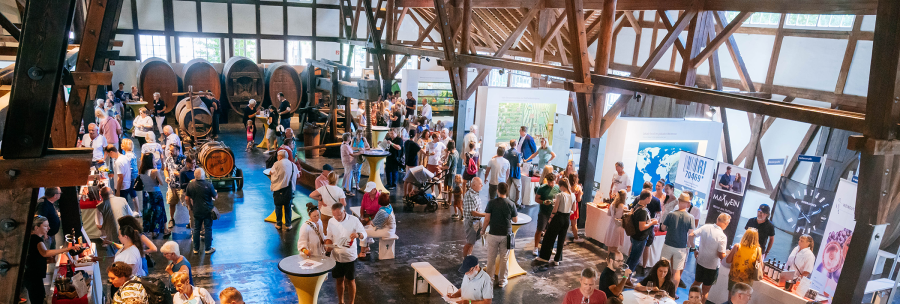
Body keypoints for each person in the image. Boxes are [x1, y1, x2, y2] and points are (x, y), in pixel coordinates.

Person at [25, 216, 85, 304]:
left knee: (39, 297)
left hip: (34, 276)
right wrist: (66, 249)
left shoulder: (36, 238)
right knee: (38, 299)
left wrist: (50, 259)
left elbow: (36, 257)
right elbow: (45, 253)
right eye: (45, 226)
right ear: (36, 227)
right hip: (33, 277)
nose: (49, 228)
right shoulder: (35, 239)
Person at [325, 203, 366, 304]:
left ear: (344, 211)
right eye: (335, 215)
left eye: (339, 215)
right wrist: (328, 246)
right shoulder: (331, 221)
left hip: (350, 257)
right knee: (339, 280)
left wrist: (358, 234)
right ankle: (341, 302)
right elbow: (329, 236)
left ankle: (351, 302)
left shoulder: (354, 220)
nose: (337, 218)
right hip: (337, 257)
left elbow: (364, 234)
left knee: (351, 281)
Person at [658, 193, 695, 294]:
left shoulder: (671, 214)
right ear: (688, 203)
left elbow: (663, 228)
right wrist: (692, 247)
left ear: (679, 201)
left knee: (663, 268)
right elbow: (691, 234)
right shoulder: (690, 217)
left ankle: (661, 290)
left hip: (668, 244)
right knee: (677, 271)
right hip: (681, 247)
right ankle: (672, 294)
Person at [689, 213, 731, 303]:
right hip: (712, 266)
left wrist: (694, 249)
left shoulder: (706, 227)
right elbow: (721, 255)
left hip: (700, 261)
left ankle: (689, 301)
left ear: (717, 219)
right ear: (726, 223)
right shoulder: (722, 236)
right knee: (705, 290)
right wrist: (727, 254)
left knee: (696, 283)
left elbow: (691, 235)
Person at [482, 183, 518, 287]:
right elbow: (515, 220)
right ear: (507, 191)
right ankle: (502, 281)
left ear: (498, 191)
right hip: (506, 234)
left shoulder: (491, 203)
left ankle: (490, 280)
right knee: (504, 259)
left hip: (493, 233)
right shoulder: (511, 204)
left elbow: (487, 219)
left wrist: (483, 230)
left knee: (491, 258)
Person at [536, 178, 575, 266]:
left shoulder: (560, 195)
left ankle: (544, 257)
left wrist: (550, 218)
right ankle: (557, 260)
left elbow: (555, 208)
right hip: (567, 218)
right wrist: (568, 212)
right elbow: (574, 209)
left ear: (561, 186)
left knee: (549, 237)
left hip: (558, 217)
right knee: (561, 240)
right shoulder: (572, 195)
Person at [184, 168, 218, 254]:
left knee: (196, 229)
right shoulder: (208, 185)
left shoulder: (190, 185)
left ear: (195, 176)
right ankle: (207, 249)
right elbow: (215, 197)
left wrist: (190, 207)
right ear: (204, 175)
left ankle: (196, 249)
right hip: (207, 210)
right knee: (208, 229)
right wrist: (215, 193)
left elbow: (187, 198)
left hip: (196, 210)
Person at [625, 190, 658, 272]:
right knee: (635, 259)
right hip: (639, 238)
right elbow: (642, 227)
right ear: (646, 198)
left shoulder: (637, 206)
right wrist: (652, 223)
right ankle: (627, 278)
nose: (651, 199)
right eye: (650, 197)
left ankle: (625, 275)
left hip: (635, 236)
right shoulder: (643, 211)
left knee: (632, 257)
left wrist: (650, 221)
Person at [139, 153, 169, 238]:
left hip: (146, 194)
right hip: (156, 193)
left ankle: (148, 230)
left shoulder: (141, 170)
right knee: (159, 212)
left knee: (148, 212)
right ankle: (157, 231)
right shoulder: (154, 171)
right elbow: (161, 183)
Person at [96, 187, 133, 252]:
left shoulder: (100, 207)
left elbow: (99, 225)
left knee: (116, 255)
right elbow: (131, 215)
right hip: (126, 233)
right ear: (112, 192)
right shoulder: (123, 200)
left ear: (101, 196)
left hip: (112, 238)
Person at [270, 150, 299, 230]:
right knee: (288, 207)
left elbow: (270, 172)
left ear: (280, 156)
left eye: (278, 156)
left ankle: (278, 224)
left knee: (278, 207)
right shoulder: (293, 165)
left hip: (278, 189)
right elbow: (298, 175)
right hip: (289, 190)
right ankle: (288, 225)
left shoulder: (276, 164)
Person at [360, 194, 396, 258]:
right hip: (390, 228)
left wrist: (367, 220)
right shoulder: (389, 207)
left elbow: (375, 224)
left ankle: (363, 252)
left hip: (387, 231)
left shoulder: (382, 212)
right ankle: (367, 246)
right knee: (367, 227)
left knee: (363, 231)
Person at [533, 173, 560, 256]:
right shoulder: (542, 188)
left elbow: (559, 198)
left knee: (550, 231)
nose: (550, 184)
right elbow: (536, 199)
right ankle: (535, 247)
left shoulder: (557, 188)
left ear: (555, 180)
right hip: (543, 212)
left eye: (551, 182)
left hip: (553, 213)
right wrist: (544, 202)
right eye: (548, 182)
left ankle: (549, 247)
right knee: (540, 229)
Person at [107, 145, 137, 215]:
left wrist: (118, 191)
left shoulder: (118, 162)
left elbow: (120, 178)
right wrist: (114, 175)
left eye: (109, 155)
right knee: (124, 204)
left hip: (122, 188)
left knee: (121, 207)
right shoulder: (124, 157)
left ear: (111, 152)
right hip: (126, 185)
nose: (110, 157)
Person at [462, 177, 487, 258]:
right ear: (474, 185)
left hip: (476, 221)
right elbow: (472, 213)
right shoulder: (469, 195)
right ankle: (466, 260)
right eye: (480, 184)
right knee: (470, 242)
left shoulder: (475, 193)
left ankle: (469, 256)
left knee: (472, 242)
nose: (482, 185)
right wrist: (485, 215)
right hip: (471, 222)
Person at [604, 190, 628, 255]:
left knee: (610, 245)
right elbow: (626, 219)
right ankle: (613, 261)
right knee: (615, 247)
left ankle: (609, 260)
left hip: (611, 225)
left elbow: (608, 214)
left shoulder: (612, 204)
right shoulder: (624, 207)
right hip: (618, 226)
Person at [504, 139, 522, 208]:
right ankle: (517, 202)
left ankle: (506, 200)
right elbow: (518, 164)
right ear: (515, 144)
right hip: (515, 173)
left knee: (507, 187)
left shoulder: (506, 153)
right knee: (518, 188)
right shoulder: (517, 153)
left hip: (508, 172)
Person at [568, 174, 584, 243]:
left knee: (565, 223)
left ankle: (564, 239)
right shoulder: (578, 188)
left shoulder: (567, 185)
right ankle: (576, 238)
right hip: (574, 206)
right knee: (574, 223)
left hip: (566, 205)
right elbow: (578, 199)